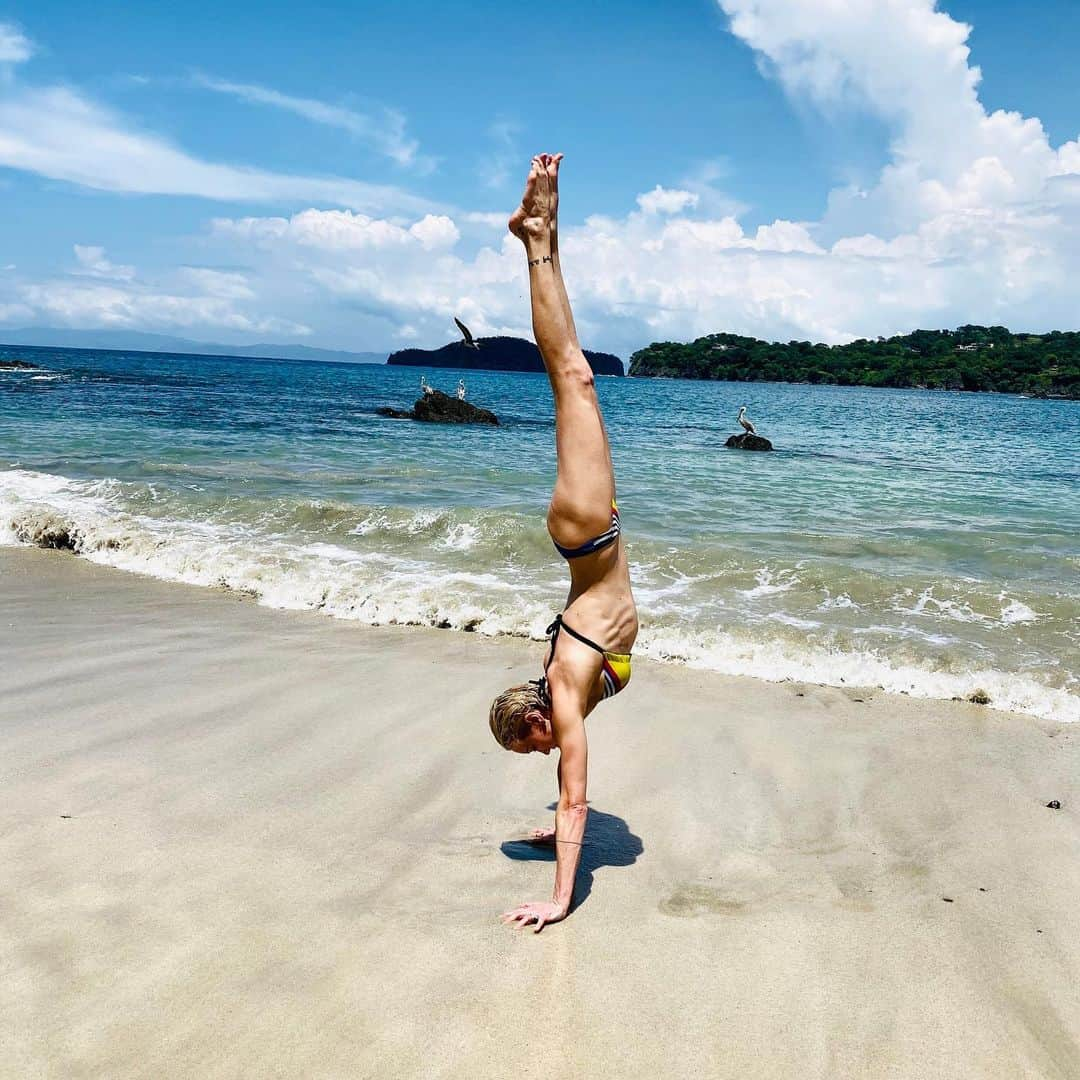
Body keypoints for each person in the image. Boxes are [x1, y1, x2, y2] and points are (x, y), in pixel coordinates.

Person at [492, 154, 638, 932]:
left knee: (572, 374)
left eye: (533, 748)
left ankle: (538, 239)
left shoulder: (567, 693)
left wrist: (559, 897)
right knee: (570, 376)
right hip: (590, 536)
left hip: (589, 534)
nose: (548, 757)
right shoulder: (563, 692)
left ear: (536, 720)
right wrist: (556, 831)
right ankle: (538, 238)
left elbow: (577, 795)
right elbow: (570, 801)